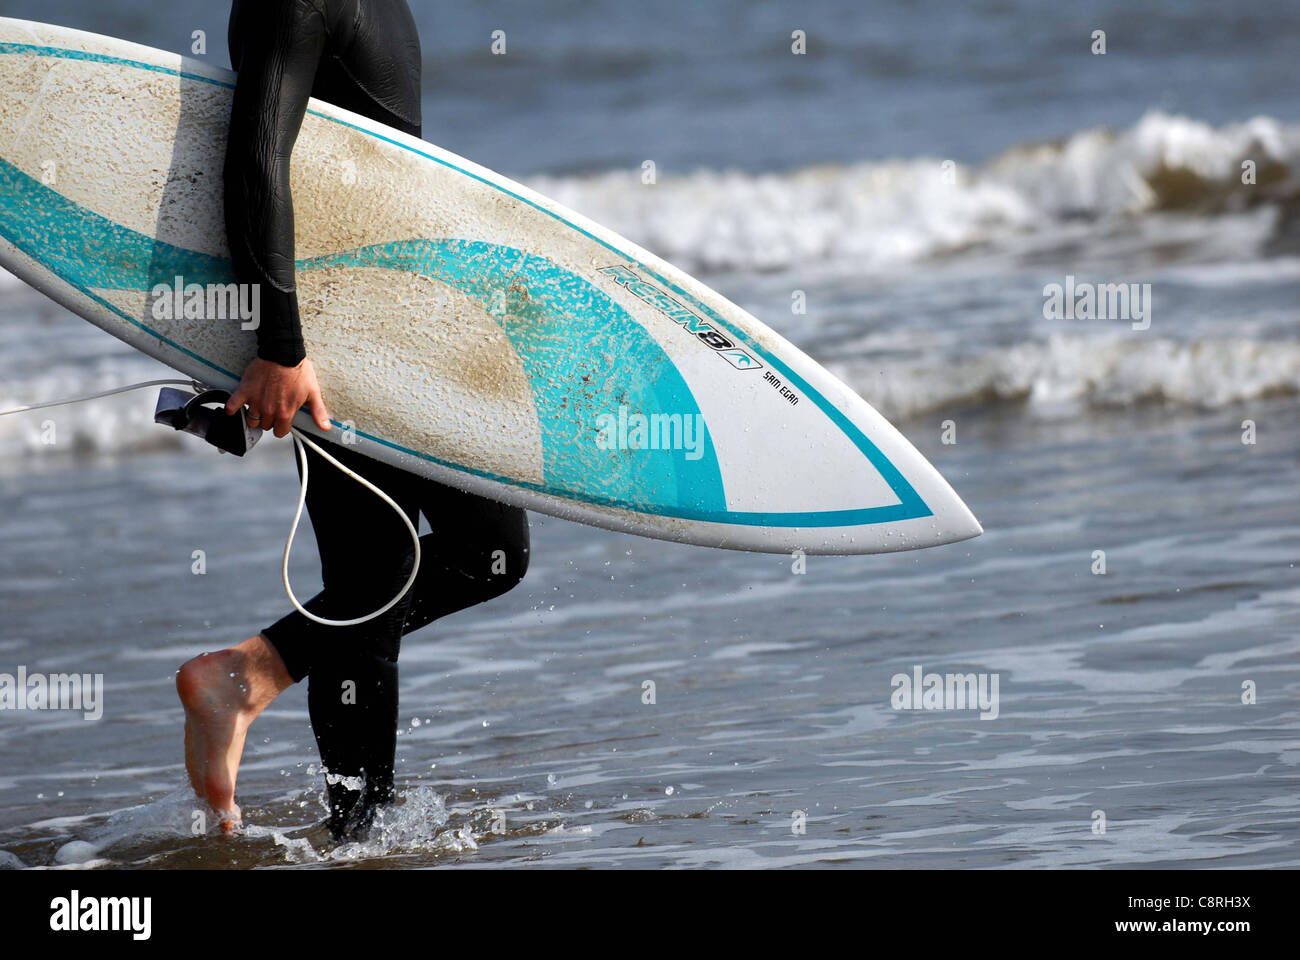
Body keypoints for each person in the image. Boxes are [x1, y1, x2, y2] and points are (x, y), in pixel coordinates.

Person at [176, 0, 530, 841]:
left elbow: (361, 168)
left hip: (390, 313)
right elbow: (257, 161)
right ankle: (357, 835)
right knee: (398, 567)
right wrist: (284, 347)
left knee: (456, 559)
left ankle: (261, 691)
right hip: (341, 335)